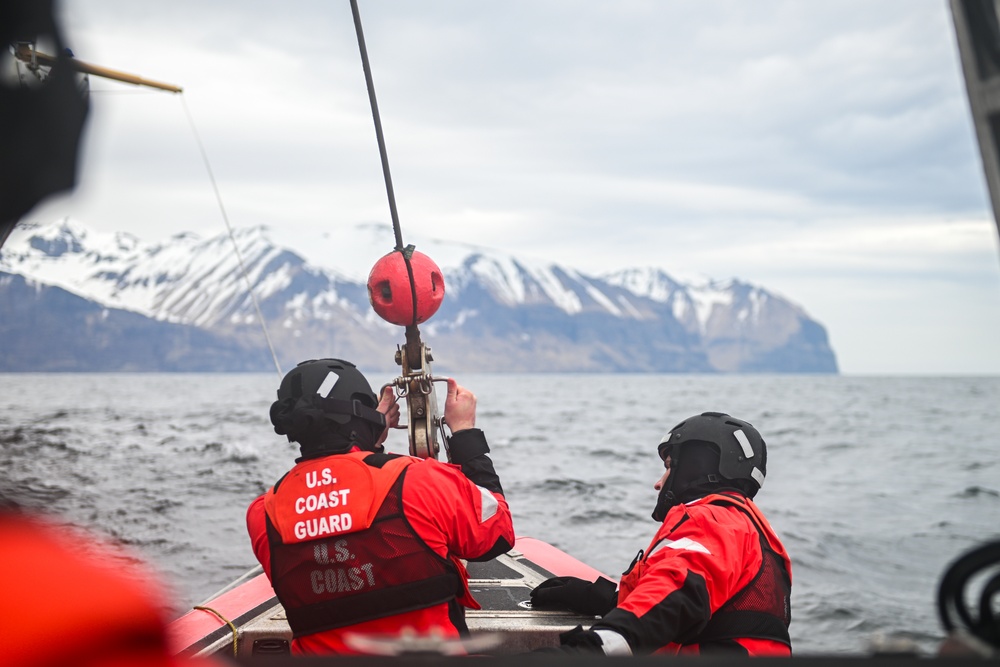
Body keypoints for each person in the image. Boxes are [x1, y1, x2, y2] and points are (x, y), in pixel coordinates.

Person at [246, 358, 514, 655]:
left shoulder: (264, 513)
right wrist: (464, 433)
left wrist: (367, 437)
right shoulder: (417, 479)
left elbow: (344, 524)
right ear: (360, 411)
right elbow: (496, 533)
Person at [530, 411, 792, 656]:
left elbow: (679, 590)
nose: (658, 483)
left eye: (668, 467)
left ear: (696, 467)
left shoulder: (711, 520)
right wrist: (604, 599)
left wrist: (597, 645)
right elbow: (704, 602)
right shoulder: (754, 530)